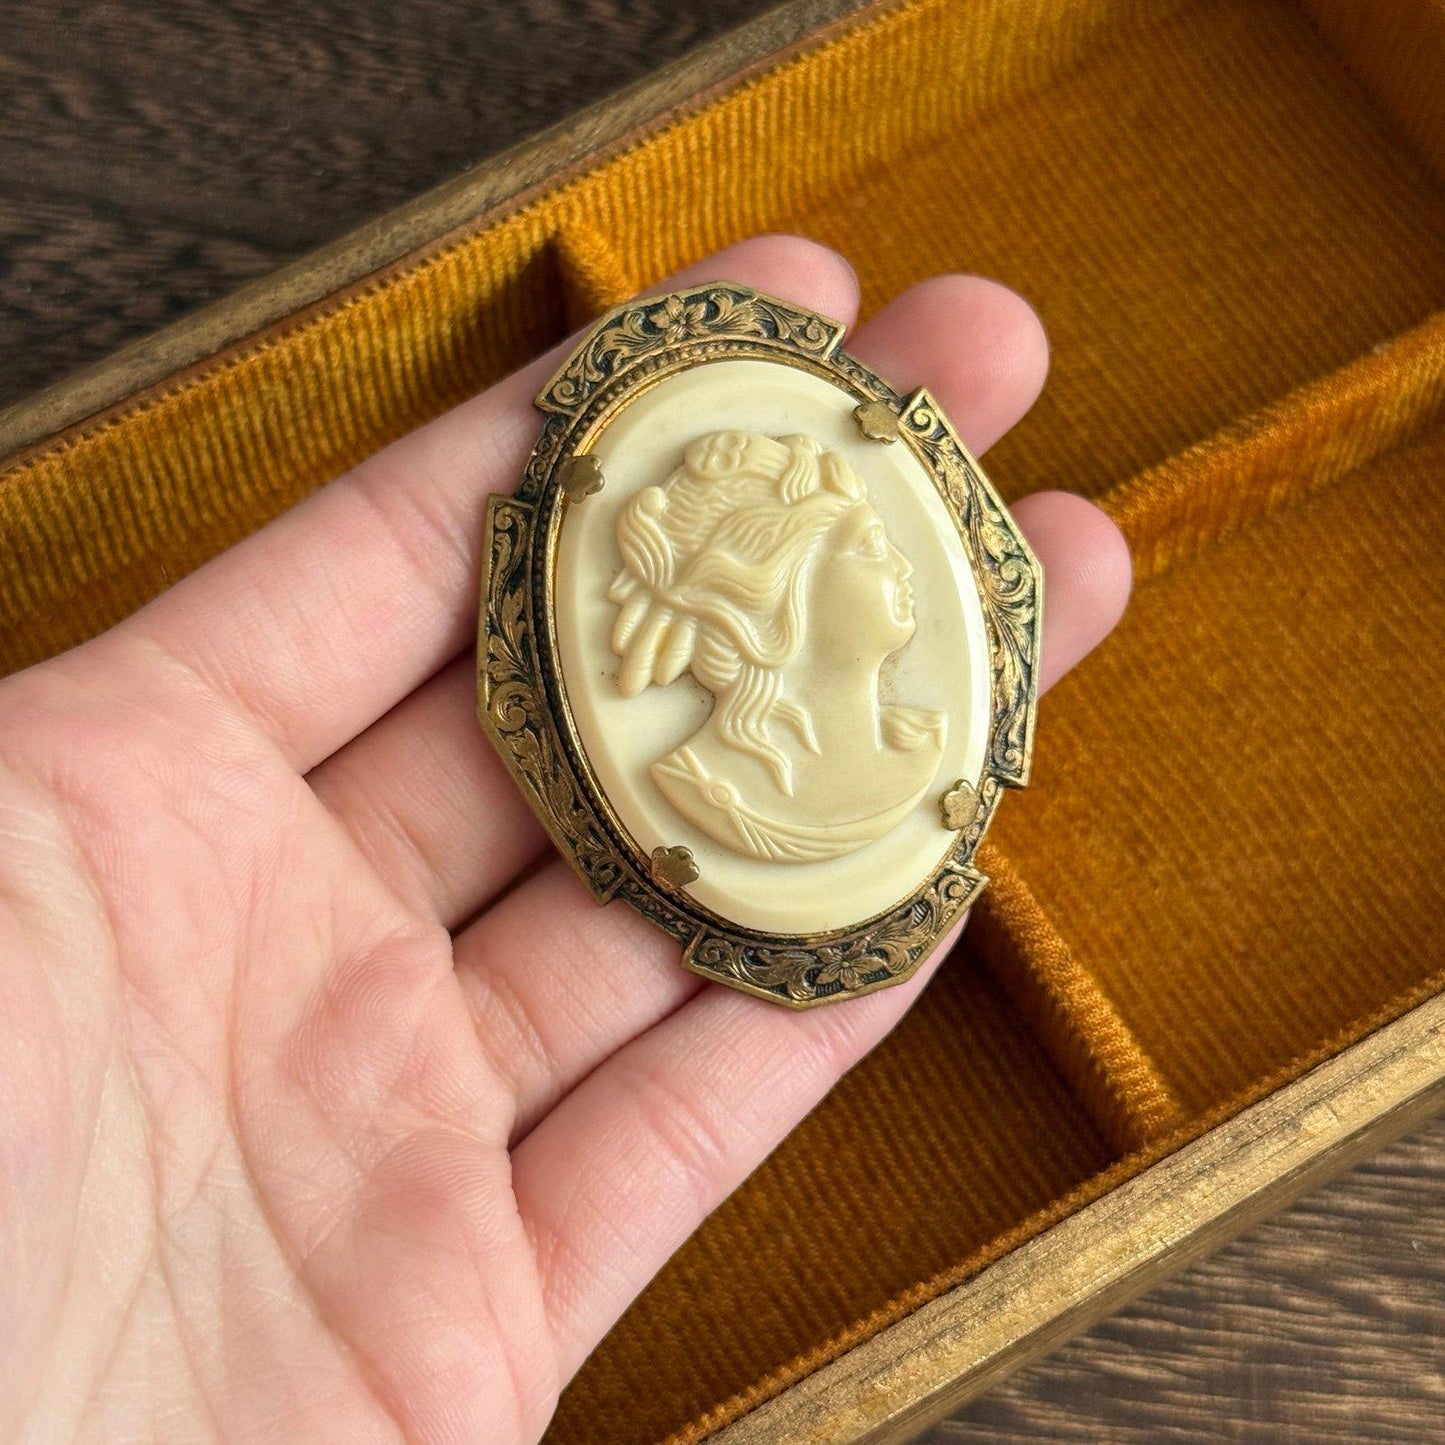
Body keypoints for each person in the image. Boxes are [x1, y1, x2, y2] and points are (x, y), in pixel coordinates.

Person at [0, 236, 1130, 1442]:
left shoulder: (910, 773)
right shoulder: (711, 796)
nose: (897, 568)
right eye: (858, 543)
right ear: (770, 598)